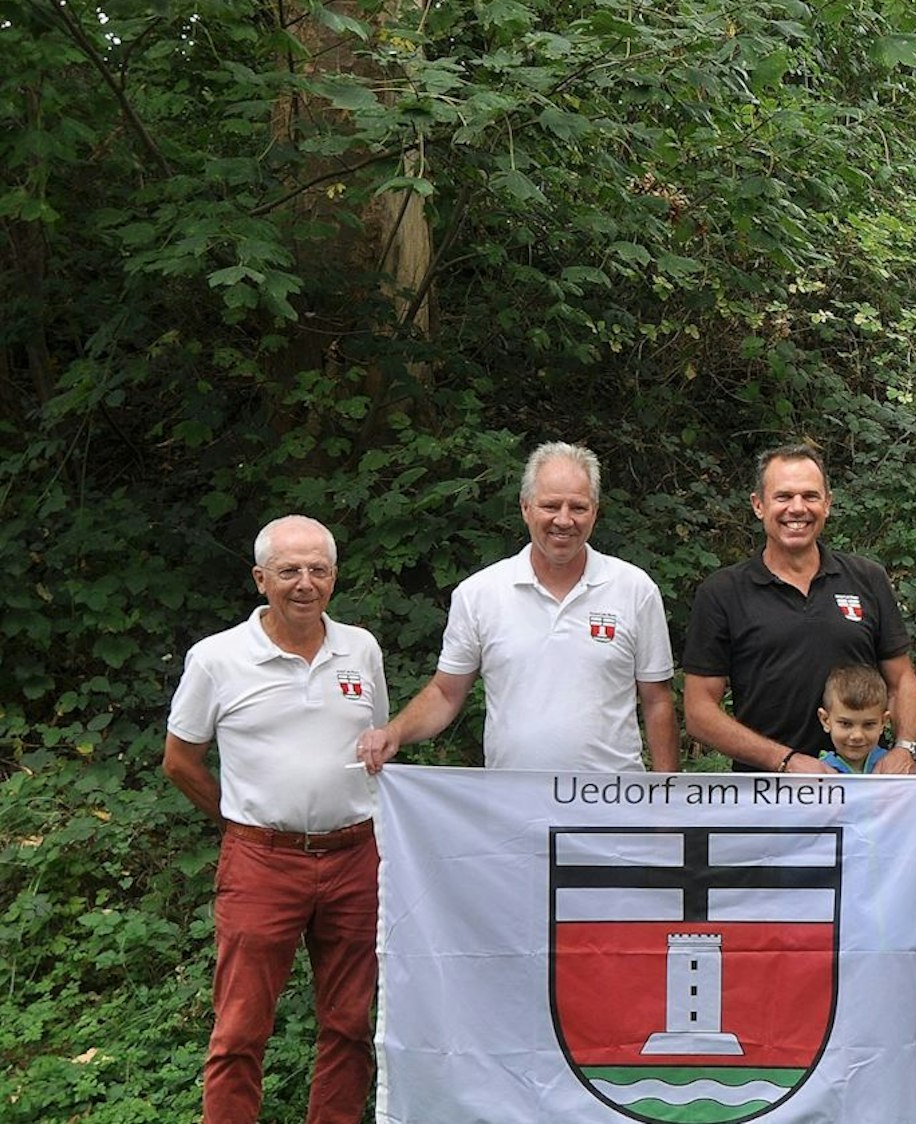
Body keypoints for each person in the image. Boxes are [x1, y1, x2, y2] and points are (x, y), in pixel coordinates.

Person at [163, 515, 387, 1124]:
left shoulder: (361, 648)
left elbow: (378, 746)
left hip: (355, 857)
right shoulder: (217, 659)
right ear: (261, 578)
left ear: (335, 576)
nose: (304, 583)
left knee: (350, 1023)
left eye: (318, 569)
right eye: (289, 571)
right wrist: (238, 820)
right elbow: (179, 761)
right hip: (261, 861)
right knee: (240, 1028)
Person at [356, 442, 678, 774]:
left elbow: (657, 702)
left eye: (578, 507)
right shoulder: (480, 593)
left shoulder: (635, 590)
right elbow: (445, 693)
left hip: (609, 804)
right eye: (550, 505)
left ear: (595, 510)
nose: (564, 520)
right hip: (512, 805)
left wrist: (666, 803)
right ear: (526, 507)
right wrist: (394, 733)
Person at [683, 443, 916, 774]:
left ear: (827, 504)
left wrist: (905, 749)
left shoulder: (867, 578)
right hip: (767, 798)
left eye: (810, 496)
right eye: (783, 497)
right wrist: (784, 761)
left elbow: (901, 680)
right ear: (758, 505)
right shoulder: (722, 592)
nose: (797, 508)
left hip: (863, 793)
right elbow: (699, 711)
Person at [818, 664, 894, 774]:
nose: (857, 736)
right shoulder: (817, 774)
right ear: (825, 720)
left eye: (868, 724)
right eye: (845, 724)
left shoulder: (896, 770)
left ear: (883, 722)